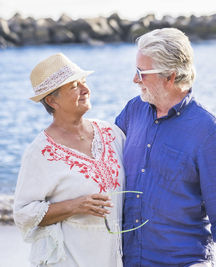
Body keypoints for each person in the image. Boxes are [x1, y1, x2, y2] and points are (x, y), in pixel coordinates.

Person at [115, 28, 216, 266]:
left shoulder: (206, 130)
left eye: (141, 73)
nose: (134, 79)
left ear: (170, 76)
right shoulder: (133, 111)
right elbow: (103, 160)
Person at [13, 53, 125, 267]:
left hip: (116, 259)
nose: (85, 90)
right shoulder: (40, 152)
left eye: (84, 82)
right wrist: (75, 205)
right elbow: (23, 214)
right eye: (74, 86)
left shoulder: (111, 133)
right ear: (51, 100)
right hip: (70, 260)